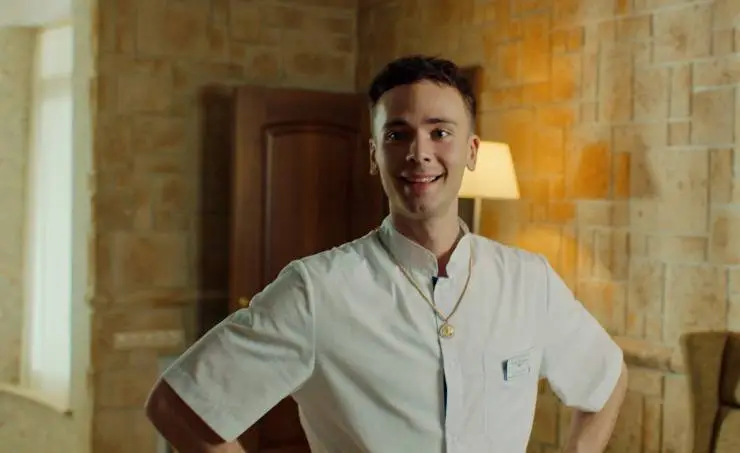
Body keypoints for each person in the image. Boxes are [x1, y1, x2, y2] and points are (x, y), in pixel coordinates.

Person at [145, 55, 628, 453]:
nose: (419, 152)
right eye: (398, 134)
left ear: (472, 151)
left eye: (440, 132)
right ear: (374, 154)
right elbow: (179, 406)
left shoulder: (528, 280)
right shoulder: (317, 290)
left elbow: (606, 379)